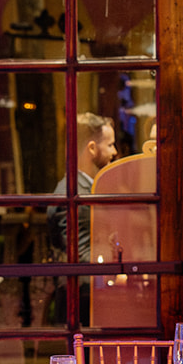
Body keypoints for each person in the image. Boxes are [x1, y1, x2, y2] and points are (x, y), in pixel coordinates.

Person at [48, 113, 117, 263]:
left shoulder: (85, 187)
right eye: (110, 145)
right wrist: (116, 277)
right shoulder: (73, 192)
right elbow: (81, 257)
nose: (114, 152)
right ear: (92, 148)